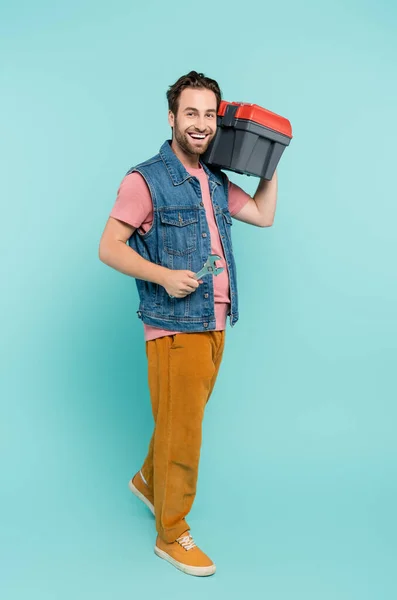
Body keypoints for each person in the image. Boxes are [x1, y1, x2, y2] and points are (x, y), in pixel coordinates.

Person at [98, 71, 278, 577]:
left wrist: (271, 159)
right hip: (176, 325)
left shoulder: (215, 181)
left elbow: (264, 214)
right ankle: (171, 533)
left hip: (216, 322)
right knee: (186, 431)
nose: (201, 124)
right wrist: (164, 276)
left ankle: (148, 481)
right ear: (173, 118)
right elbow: (108, 246)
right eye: (191, 113)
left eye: (209, 115)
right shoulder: (146, 179)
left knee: (181, 419)